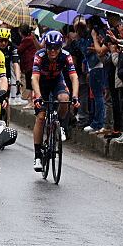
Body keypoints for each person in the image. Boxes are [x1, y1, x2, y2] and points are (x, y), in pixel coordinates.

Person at [31, 30, 79, 172]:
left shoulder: (65, 55)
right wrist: (38, 96)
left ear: (60, 47)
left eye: (56, 48)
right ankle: (38, 156)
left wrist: (75, 96)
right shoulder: (39, 55)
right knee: (40, 117)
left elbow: (74, 77)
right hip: (42, 84)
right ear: (45, 46)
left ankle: (60, 126)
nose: (52, 51)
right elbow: (34, 78)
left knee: (65, 99)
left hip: (57, 81)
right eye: (50, 47)